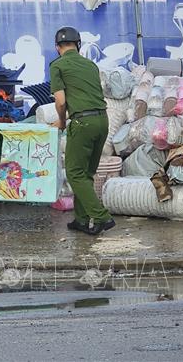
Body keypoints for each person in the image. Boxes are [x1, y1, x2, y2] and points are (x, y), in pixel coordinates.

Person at [50, 26, 115, 235]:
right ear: (78, 45)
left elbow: (60, 102)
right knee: (86, 173)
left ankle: (102, 216)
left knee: (74, 173)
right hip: (103, 121)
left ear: (57, 47)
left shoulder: (57, 66)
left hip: (82, 123)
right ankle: (81, 219)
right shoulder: (91, 65)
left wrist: (61, 121)